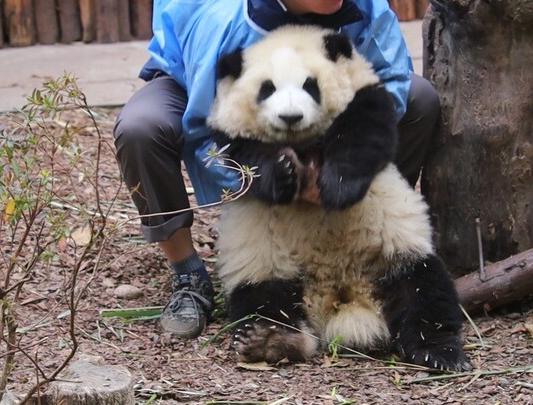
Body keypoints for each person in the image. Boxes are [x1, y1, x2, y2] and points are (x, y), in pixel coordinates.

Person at [113, 0, 440, 339]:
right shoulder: (223, 23)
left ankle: (362, 233)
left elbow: (392, 82)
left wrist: (347, 165)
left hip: (330, 102)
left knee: (420, 98)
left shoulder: (366, 8)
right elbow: (206, 131)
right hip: (207, 92)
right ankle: (188, 274)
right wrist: (281, 184)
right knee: (141, 127)